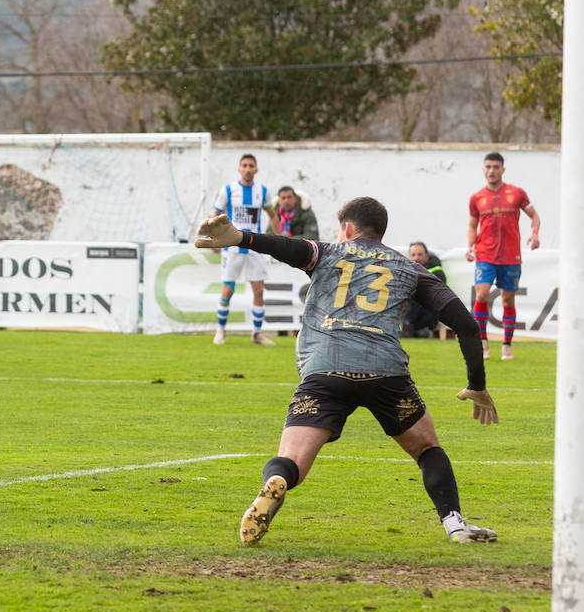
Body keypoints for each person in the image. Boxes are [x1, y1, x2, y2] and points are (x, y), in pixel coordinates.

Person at [195, 196, 499, 546]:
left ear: (348, 229)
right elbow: (467, 325)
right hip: (386, 375)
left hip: (325, 371)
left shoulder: (329, 251)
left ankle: (275, 483)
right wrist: (476, 384)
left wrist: (242, 238)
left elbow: (288, 248)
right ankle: (455, 525)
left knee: (290, 460)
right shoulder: (411, 267)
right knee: (428, 449)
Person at [466, 151, 541, 361]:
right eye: (488, 167)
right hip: (485, 253)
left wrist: (534, 235)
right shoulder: (476, 198)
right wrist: (469, 246)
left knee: (507, 299)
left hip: (510, 255)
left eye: (496, 167)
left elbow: (534, 216)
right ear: (483, 170)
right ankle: (483, 342)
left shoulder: (516, 193)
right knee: (481, 295)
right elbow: (472, 226)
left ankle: (506, 345)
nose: (492, 171)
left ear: (503, 169)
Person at [210, 153, 279, 346]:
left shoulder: (263, 191)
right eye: (245, 165)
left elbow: (272, 216)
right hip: (232, 248)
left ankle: (257, 333)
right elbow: (214, 214)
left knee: (259, 290)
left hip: (255, 247)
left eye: (251, 166)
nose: (248, 169)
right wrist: (212, 238)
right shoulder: (228, 190)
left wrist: (281, 241)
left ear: (256, 169)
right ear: (239, 169)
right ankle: (220, 331)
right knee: (227, 290)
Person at [402, 242, 447, 338]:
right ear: (409, 257)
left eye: (419, 255)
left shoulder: (437, 271)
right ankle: (413, 330)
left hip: (428, 313)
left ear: (427, 256)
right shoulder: (405, 270)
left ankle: (410, 328)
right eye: (413, 255)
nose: (416, 258)